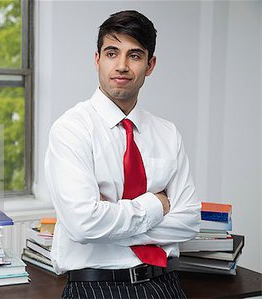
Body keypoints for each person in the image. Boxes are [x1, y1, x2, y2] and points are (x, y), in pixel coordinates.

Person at [45, 10, 201, 299]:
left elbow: (189, 220)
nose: (121, 66)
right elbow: (83, 224)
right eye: (112, 53)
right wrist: (156, 206)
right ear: (97, 60)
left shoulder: (168, 134)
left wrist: (111, 224)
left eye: (134, 55)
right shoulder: (71, 129)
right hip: (95, 288)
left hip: (165, 285)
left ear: (150, 64)